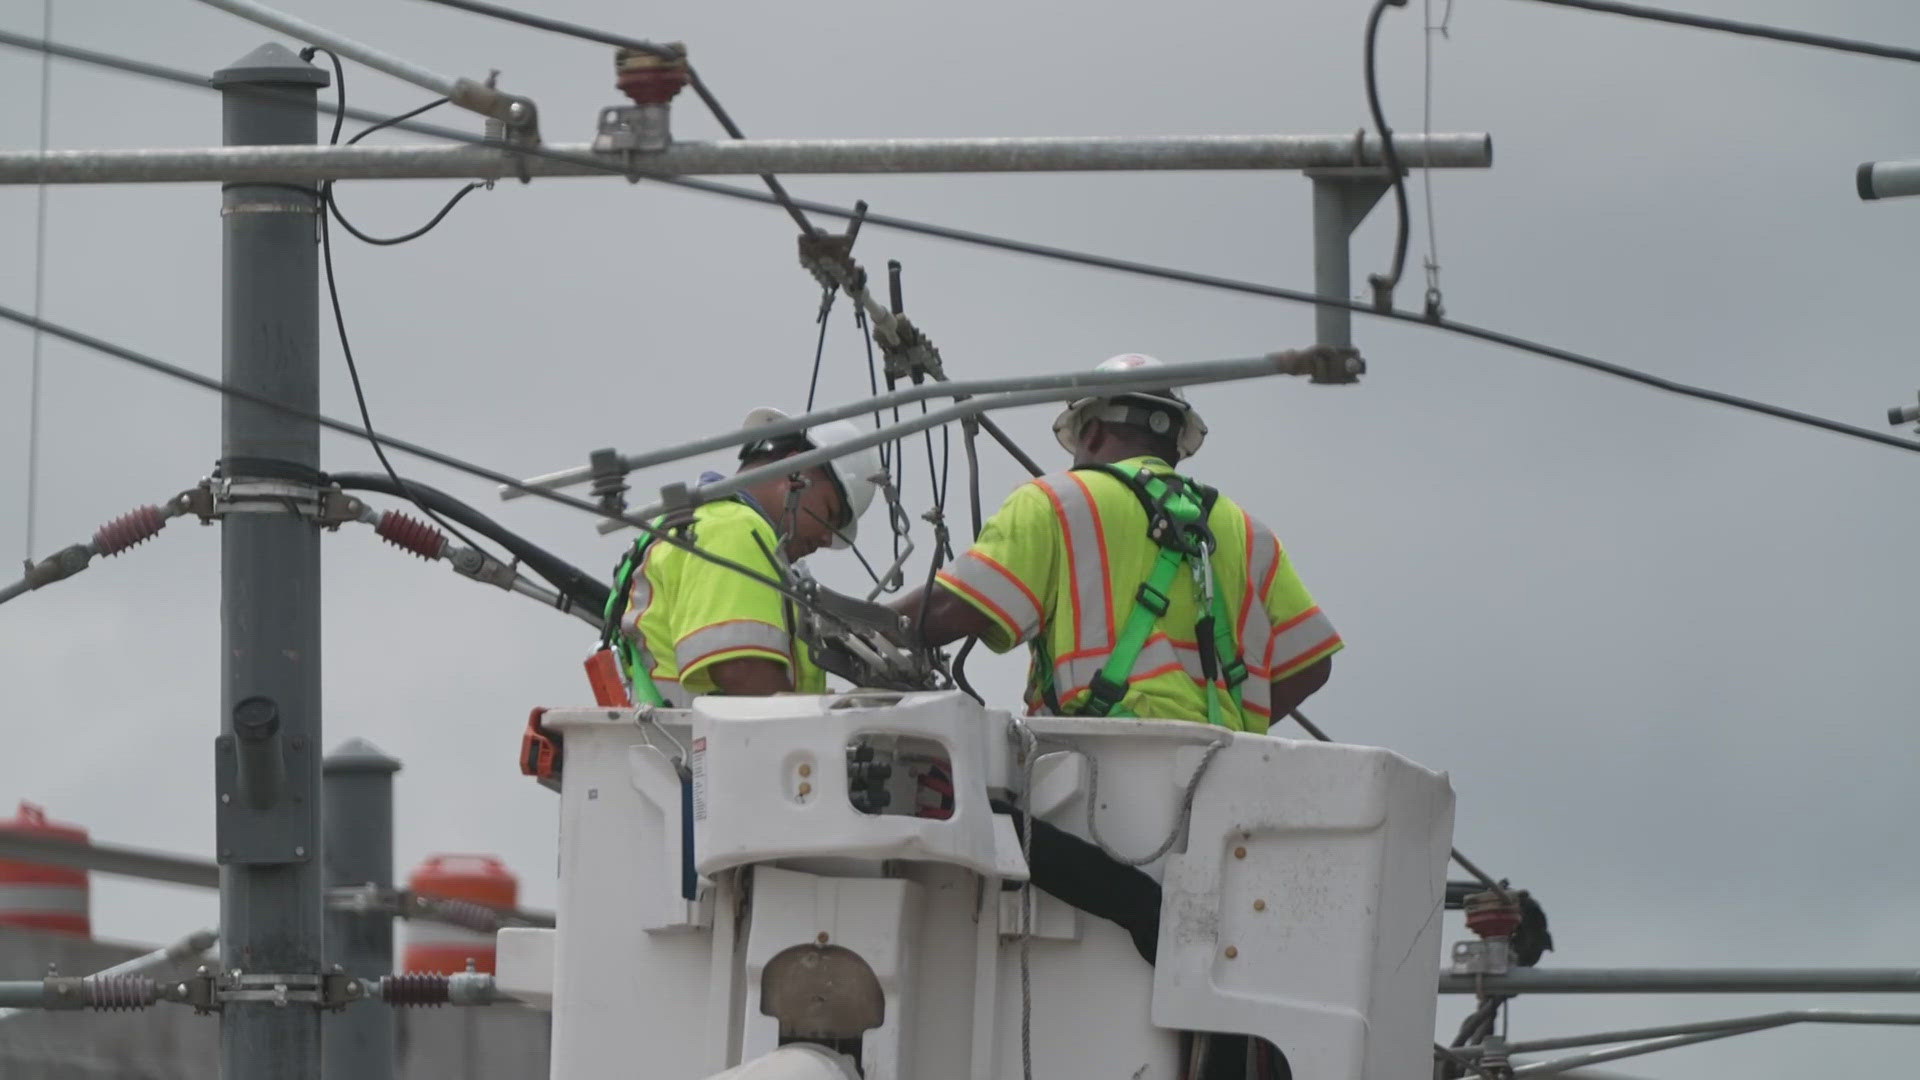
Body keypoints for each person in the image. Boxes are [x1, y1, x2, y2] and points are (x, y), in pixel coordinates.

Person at [896, 354, 1339, 729]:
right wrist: (1233, 726)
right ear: (1175, 443)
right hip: (1220, 775)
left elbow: (952, 610)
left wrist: (858, 624)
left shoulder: (1057, 501)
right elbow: (1311, 664)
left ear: (1089, 433)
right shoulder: (1249, 533)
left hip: (1096, 770)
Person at [600, 407, 882, 705]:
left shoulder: (702, 524)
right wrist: (822, 738)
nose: (827, 538)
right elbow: (744, 671)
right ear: (795, 472)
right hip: (712, 748)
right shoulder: (732, 529)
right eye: (829, 513)